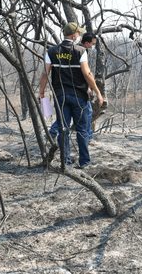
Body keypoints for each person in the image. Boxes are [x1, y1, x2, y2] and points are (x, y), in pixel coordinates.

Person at [39, 23, 104, 168]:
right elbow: (87, 74)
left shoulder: (52, 51)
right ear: (74, 36)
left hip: (60, 97)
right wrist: (98, 93)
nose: (79, 36)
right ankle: (84, 162)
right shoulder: (80, 51)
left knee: (63, 129)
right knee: (82, 129)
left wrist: (41, 92)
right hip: (79, 97)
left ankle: (66, 162)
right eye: (78, 34)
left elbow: (45, 73)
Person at [48, 32, 98, 141]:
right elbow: (85, 73)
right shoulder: (79, 51)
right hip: (77, 90)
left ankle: (53, 132)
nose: (93, 46)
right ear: (86, 43)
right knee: (86, 113)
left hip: (68, 90)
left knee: (66, 116)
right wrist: (90, 87)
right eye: (92, 44)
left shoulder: (80, 50)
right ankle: (87, 137)